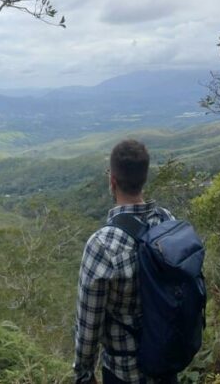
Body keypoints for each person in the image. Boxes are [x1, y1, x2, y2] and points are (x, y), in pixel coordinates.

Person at [73, 139, 178, 384]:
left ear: (112, 181)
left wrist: (84, 374)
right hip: (168, 360)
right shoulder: (168, 222)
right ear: (144, 178)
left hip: (125, 372)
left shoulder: (102, 245)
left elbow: (88, 327)